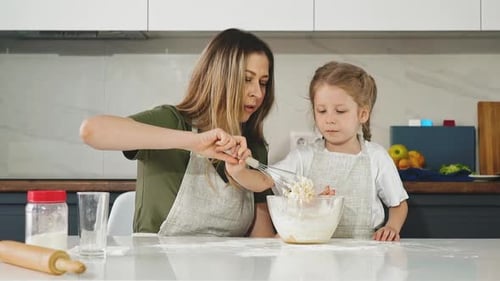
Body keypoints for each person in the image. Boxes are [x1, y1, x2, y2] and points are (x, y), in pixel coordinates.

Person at [79, 28, 277, 237]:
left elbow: (260, 243)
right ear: (220, 78)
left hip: (229, 268)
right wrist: (193, 141)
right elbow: (91, 131)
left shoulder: (252, 148)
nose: (257, 93)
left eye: (263, 83)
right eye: (247, 79)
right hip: (156, 267)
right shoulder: (170, 121)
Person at [273, 61, 409, 241]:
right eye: (321, 111)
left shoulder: (376, 157)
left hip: (365, 255)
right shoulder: (303, 156)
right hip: (314, 253)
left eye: (340, 111)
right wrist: (241, 167)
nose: (329, 119)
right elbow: (264, 179)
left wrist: (392, 227)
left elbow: (398, 203)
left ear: (362, 114)